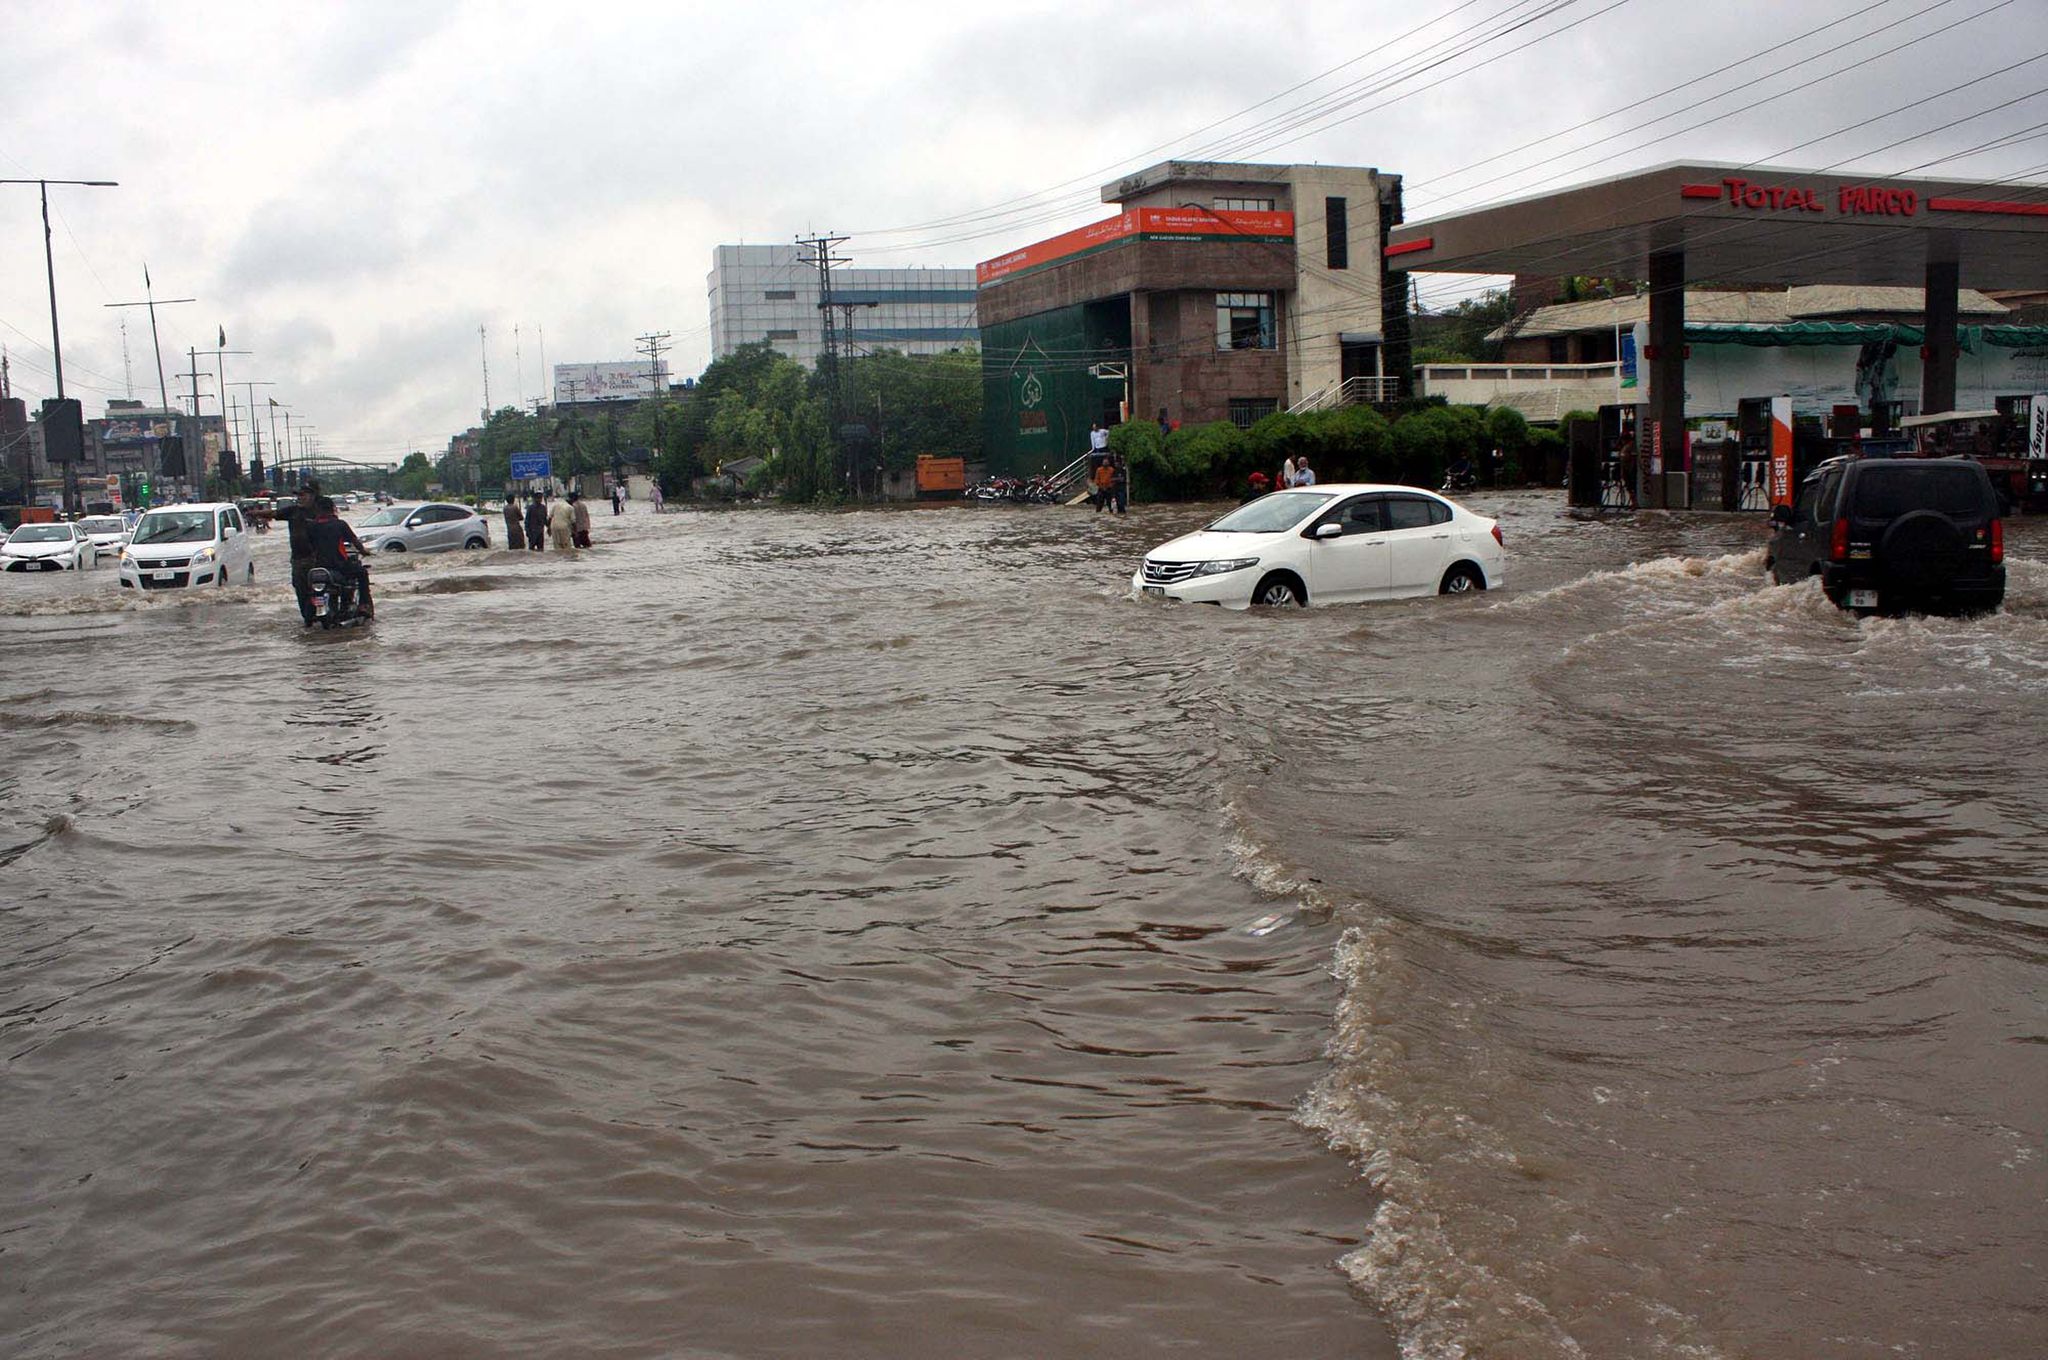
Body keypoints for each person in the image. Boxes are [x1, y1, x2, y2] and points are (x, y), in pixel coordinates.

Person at [307, 494, 372, 620]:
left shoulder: (311, 526)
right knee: (362, 573)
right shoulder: (340, 524)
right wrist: (364, 551)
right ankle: (363, 605)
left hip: (319, 566)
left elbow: (308, 546)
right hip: (339, 565)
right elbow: (354, 541)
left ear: (317, 510)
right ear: (332, 508)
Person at [274, 480, 322, 625]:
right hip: (298, 559)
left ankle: (321, 613)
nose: (300, 498)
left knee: (320, 588)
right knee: (300, 589)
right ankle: (308, 617)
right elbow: (274, 514)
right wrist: (255, 513)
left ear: (312, 496)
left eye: (303, 495)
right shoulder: (292, 511)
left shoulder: (319, 511)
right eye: (298, 495)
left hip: (317, 558)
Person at [1110, 450, 1129, 515]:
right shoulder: (1114, 471)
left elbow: (1122, 479)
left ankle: (1123, 512)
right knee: (1117, 502)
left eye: (1117, 463)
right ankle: (1120, 513)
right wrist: (1117, 479)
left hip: (1121, 488)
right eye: (1115, 463)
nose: (1115, 464)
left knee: (1121, 501)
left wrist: (1116, 479)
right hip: (1116, 488)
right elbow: (1111, 479)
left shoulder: (1123, 470)